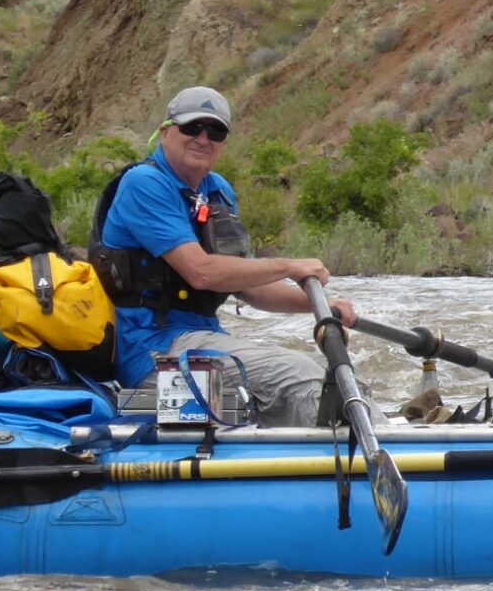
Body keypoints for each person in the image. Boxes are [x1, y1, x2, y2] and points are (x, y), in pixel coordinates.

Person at [89, 86, 359, 426]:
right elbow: (202, 273)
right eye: (192, 127)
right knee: (301, 376)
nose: (203, 138)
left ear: (224, 143)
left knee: (336, 373)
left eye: (215, 131)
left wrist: (318, 304)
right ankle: (364, 462)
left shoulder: (217, 190)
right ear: (165, 132)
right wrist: (290, 266)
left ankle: (372, 446)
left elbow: (248, 287)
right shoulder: (143, 184)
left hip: (202, 340)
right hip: (152, 351)